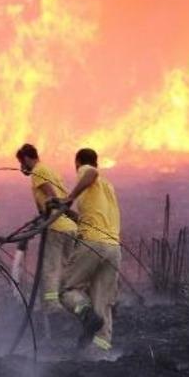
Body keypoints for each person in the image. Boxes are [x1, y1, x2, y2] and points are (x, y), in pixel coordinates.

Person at [57, 148, 121, 358]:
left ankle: (86, 314)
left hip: (92, 244)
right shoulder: (107, 187)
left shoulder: (88, 172)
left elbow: (90, 172)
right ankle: (100, 354)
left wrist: (69, 197)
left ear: (78, 163)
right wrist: (65, 210)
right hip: (113, 248)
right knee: (102, 301)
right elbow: (89, 218)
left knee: (67, 291)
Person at [15, 144, 77, 316]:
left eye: (22, 162)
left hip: (56, 225)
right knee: (66, 267)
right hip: (69, 227)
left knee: (50, 268)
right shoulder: (51, 171)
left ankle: (52, 308)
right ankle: (68, 301)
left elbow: (52, 195)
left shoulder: (38, 171)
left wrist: (49, 212)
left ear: (27, 159)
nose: (22, 167)